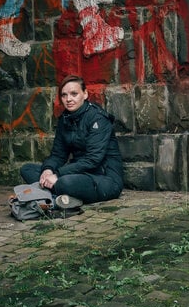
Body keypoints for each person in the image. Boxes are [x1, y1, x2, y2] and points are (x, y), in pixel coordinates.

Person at [20, 75, 124, 208]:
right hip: (77, 173)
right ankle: (64, 198)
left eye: (74, 94)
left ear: (85, 94)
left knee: (65, 182)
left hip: (104, 179)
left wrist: (58, 174)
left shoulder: (98, 118)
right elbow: (58, 154)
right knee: (27, 169)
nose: (68, 99)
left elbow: (93, 159)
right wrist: (48, 170)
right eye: (64, 95)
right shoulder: (65, 119)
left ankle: (52, 195)